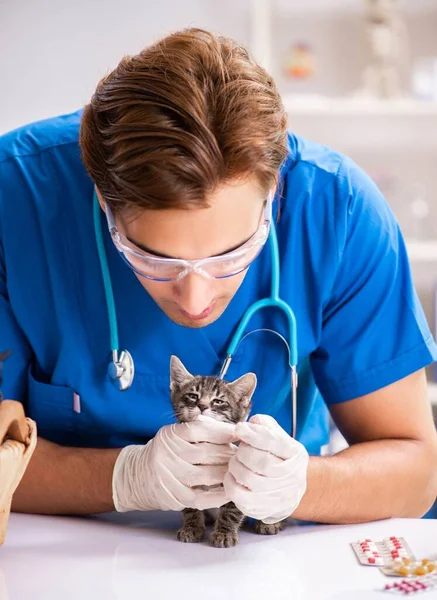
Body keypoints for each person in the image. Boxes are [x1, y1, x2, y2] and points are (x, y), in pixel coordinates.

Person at [1, 28, 437, 525]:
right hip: (55, 548)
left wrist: (300, 486)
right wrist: (126, 478)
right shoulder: (13, 198)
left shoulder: (339, 211)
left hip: (264, 545)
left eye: (232, 255)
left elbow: (417, 471)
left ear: (273, 194)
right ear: (104, 203)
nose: (194, 299)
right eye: (155, 260)